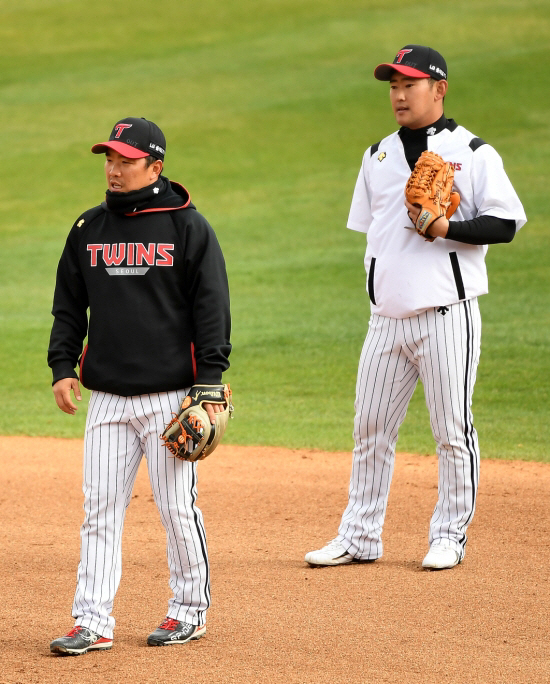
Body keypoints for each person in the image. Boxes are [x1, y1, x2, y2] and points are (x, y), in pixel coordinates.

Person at [305, 45, 526, 570]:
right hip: (385, 321)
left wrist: (449, 228)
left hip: (447, 315)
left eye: (409, 84)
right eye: (392, 85)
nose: (399, 95)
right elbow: (375, 235)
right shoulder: (376, 155)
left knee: (452, 431)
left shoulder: (472, 152)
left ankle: (449, 534)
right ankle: (360, 536)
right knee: (370, 431)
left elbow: (507, 222)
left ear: (439, 88)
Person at [48, 117, 231, 655]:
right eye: (109, 158)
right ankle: (92, 620)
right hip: (105, 398)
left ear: (155, 166)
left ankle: (189, 610)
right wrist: (62, 366)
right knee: (99, 508)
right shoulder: (87, 229)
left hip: (170, 400)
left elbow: (211, 309)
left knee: (176, 507)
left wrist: (210, 382)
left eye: (126, 160)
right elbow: (67, 305)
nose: (113, 168)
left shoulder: (187, 228)